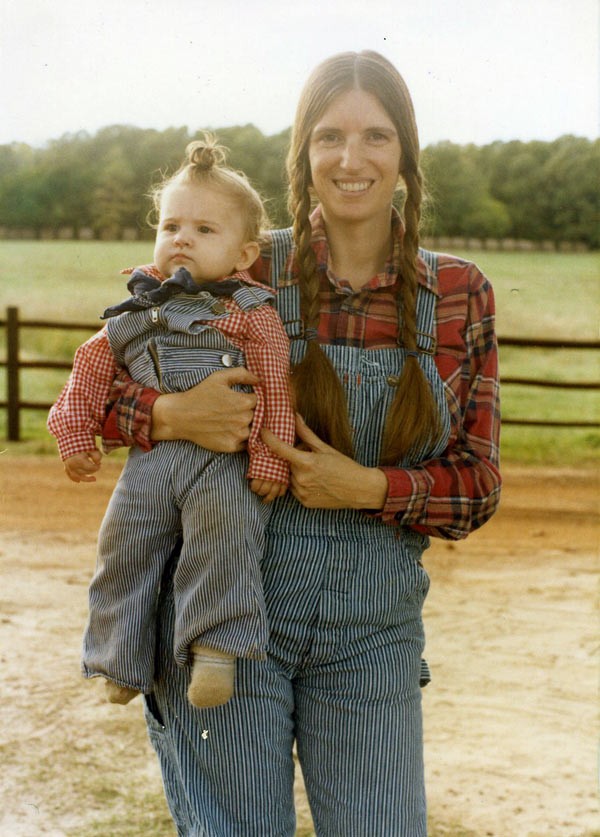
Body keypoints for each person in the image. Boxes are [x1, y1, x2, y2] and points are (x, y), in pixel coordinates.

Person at [102, 51, 501, 836]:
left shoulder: (456, 293)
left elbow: (478, 484)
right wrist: (174, 417)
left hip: (373, 637)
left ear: (406, 156)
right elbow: (103, 376)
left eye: (376, 136)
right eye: (329, 137)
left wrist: (368, 488)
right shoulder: (244, 262)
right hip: (223, 620)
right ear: (303, 154)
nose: (351, 160)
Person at [47, 136, 295, 709]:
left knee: (225, 538)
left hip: (222, 466)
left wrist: (268, 457)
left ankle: (215, 648)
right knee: (125, 541)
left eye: (205, 231)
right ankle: (119, 657)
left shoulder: (250, 315)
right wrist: (76, 433)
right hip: (150, 461)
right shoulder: (137, 308)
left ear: (243, 255)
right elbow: (88, 371)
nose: (182, 238)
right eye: (171, 226)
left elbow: (275, 387)